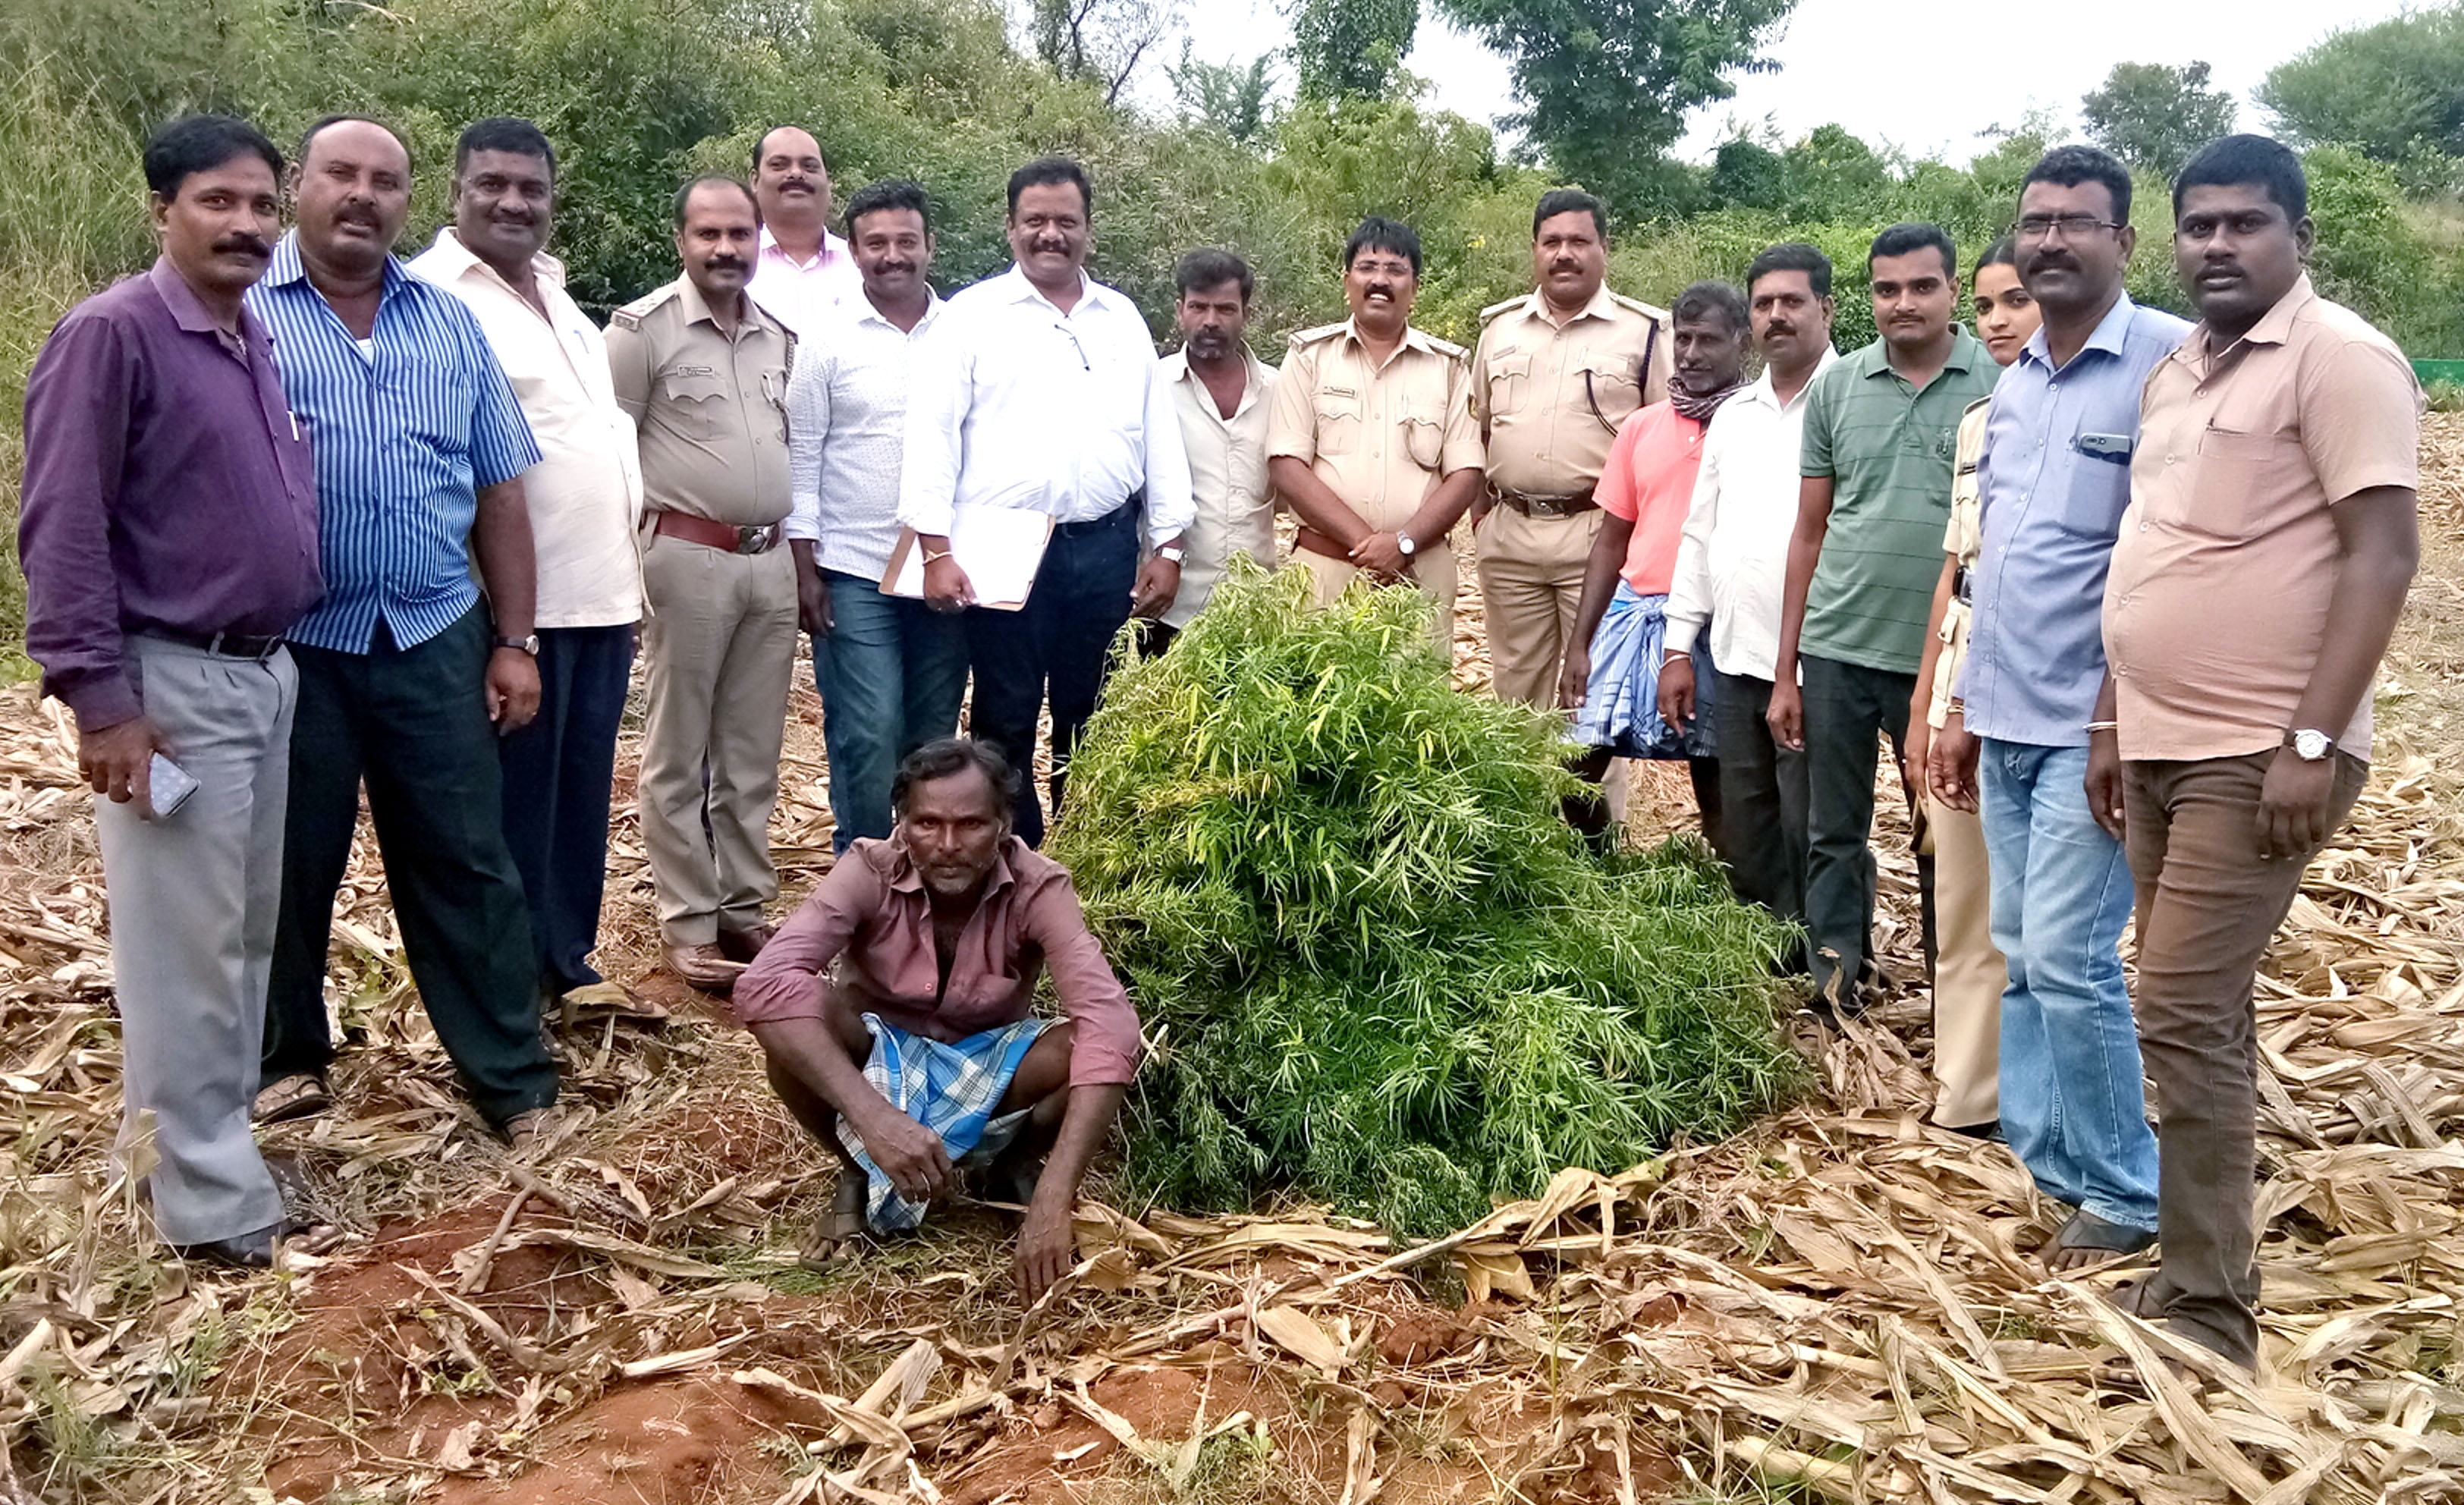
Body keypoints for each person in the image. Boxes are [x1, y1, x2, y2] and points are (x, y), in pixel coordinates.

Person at [2102, 135, 2418, 1371]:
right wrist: (2114, 721)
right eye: (2197, 224)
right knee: (2200, 1007)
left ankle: (2210, 1313)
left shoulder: (2338, 357)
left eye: (2243, 223)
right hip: (2159, 742)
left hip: (2259, 748)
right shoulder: (2177, 372)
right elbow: (2155, 549)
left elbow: (2381, 556)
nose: (2216, 244)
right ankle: (2201, 1262)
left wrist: (2307, 737)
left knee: (2174, 1002)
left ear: (2296, 235)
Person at [19, 115, 322, 1265]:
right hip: (173, 681)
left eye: (258, 204)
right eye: (216, 202)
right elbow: (62, 527)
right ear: (163, 211)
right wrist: (102, 699)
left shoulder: (245, 338)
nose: (243, 225)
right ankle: (210, 1205)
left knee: (239, 938)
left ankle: (184, 1147)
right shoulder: (115, 334)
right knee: (182, 946)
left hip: (260, 673)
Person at [248, 117, 559, 1147]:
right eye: (341, 174)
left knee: (467, 860)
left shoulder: (445, 321)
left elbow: (500, 492)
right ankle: (288, 1059)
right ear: (300, 184)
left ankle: (514, 1083)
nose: (363, 196)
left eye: (385, 181)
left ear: (408, 200)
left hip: (433, 632)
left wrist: (516, 640)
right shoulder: (243, 313)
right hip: (295, 644)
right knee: (291, 861)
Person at [1932, 149, 2195, 1248]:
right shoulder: (2018, 379)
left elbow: (2171, 559)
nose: (2050, 240)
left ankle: (2130, 1193)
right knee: (2022, 948)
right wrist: (1956, 710)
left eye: (2077, 222)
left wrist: (2113, 718)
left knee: (2077, 961)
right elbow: (1993, 562)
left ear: (2123, 242)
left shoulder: (2170, 364)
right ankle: (2059, 1163)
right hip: (2003, 714)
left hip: (2094, 727)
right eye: (2036, 220)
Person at [734, 739, 1141, 1302]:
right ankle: (856, 1166)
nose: (948, 845)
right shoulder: (867, 869)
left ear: (1003, 824)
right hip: (875, 1060)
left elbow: (1110, 1025)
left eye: (971, 824)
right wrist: (875, 1123)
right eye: (928, 823)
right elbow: (763, 984)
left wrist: (1057, 1194)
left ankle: (1014, 1170)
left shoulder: (1040, 885)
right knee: (797, 1015)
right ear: (902, 823)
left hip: (985, 1060)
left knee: (1086, 1048)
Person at [409, 118, 644, 1010]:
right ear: (455, 191)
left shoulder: (553, 288)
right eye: (492, 185)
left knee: (577, 801)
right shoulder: (432, 294)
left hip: (602, 597)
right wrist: (505, 627)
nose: (513, 202)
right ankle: (505, 991)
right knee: (509, 810)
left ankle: (565, 965)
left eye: (531, 188)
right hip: (517, 610)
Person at [898, 157, 1194, 847]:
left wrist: (1170, 543)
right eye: (1035, 221)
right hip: (1003, 555)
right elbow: (931, 439)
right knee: (1004, 716)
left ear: (1089, 230)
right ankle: (1008, 866)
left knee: (1095, 716)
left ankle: (1087, 867)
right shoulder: (970, 318)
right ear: (1010, 228)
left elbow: (1157, 437)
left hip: (1105, 548)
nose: (1050, 235)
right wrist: (934, 551)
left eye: (1066, 222)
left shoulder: (1120, 318)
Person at [1771, 224, 1998, 1016]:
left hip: (1937, 657)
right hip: (1837, 644)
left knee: (1942, 833)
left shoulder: (1997, 380)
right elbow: (1808, 530)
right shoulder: (1838, 387)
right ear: (1866, 297)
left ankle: (1955, 997)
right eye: (1885, 289)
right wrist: (1784, 669)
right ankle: (1835, 981)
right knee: (1831, 831)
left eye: (1920, 286)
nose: (1902, 303)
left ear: (1950, 289)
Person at [607, 177, 799, 992]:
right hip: (686, 558)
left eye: (739, 235)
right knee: (678, 749)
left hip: (770, 560)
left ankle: (743, 904)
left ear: (759, 240)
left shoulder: (778, 337)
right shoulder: (640, 332)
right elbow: (610, 454)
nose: (726, 250)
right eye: (708, 234)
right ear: (681, 240)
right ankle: (687, 920)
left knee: (753, 748)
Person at [1661, 244, 1839, 944]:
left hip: (1818, 659)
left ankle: (1832, 958)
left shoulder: (1851, 399)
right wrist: (1679, 645)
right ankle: (1765, 951)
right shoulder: (1735, 415)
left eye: (1791, 302)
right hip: (1734, 656)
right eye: (1764, 303)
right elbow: (1700, 535)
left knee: (1817, 820)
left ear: (1827, 308)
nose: (1776, 316)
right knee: (1748, 816)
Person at [786, 178, 966, 853]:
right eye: (876, 243)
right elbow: (802, 454)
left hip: (941, 572)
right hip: (853, 570)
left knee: (932, 736)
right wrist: (805, 569)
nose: (893, 255)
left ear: (929, 246)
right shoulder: (827, 338)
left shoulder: (964, 333)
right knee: (868, 731)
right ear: (854, 252)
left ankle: (926, 876)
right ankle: (862, 876)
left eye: (906, 241)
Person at [1902, 237, 2033, 1136]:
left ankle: (2042, 1098)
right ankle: (1967, 1098)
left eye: (2014, 301)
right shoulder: (1977, 422)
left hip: (2043, 683)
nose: (1997, 321)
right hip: (1959, 668)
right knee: (1962, 903)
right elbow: (1955, 571)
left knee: (2042, 926)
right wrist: (1924, 703)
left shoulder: (2129, 404)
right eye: (1986, 305)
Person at [1560, 281, 1749, 848]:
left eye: (1708, 340)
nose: (1691, 353)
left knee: (1716, 776)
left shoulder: (1755, 425)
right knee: (1576, 765)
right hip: (1634, 613)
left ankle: (1729, 904)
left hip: (1716, 627)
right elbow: (1611, 541)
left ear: (1742, 342)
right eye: (1683, 338)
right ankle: (1601, 876)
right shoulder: (1642, 427)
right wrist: (1579, 644)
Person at [1471, 190, 1671, 707]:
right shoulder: (1499, 331)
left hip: (1598, 539)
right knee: (1516, 699)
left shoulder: (1644, 332)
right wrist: (1482, 521)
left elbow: (1665, 443)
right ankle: (1522, 792)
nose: (1565, 254)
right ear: (1534, 250)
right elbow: (1480, 431)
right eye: (1552, 241)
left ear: (1605, 248)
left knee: (1595, 697)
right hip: (1510, 538)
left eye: (1579, 241)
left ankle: (1591, 795)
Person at [1268, 216, 1485, 655]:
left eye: (1395, 270)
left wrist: (1402, 545)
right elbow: (1286, 466)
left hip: (1418, 576)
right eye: (1368, 268)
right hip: (1324, 574)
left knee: (1416, 712)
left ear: (1415, 286)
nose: (1379, 281)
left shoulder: (1448, 366)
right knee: (1317, 707)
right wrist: (1370, 548)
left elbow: (1467, 473)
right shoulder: (1309, 358)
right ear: (1347, 280)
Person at [1150, 247, 1280, 653]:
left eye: (1225, 309)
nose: (1210, 321)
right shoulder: (1151, 387)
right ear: (1179, 311)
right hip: (1169, 604)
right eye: (1198, 307)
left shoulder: (1282, 390)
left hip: (1256, 607)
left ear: (1246, 313)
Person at [746, 124, 861, 340]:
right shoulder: (733, 262)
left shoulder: (862, 265)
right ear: (754, 180)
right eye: (779, 165)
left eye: (809, 167)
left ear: (828, 182)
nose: (796, 174)